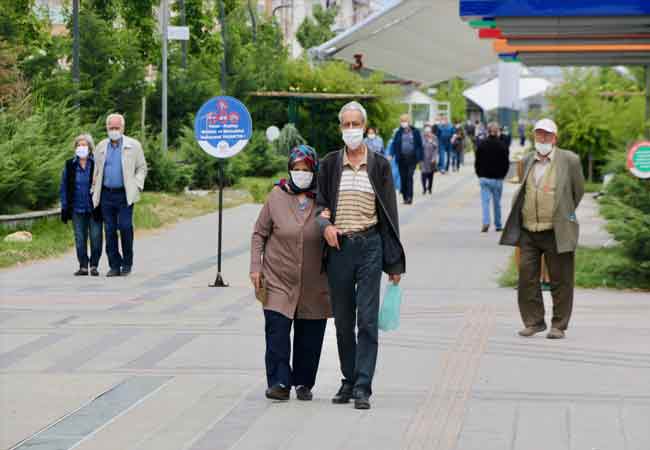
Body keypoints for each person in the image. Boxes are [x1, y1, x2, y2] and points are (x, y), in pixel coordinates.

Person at [316, 101, 405, 410]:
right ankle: (348, 379)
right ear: (341, 128)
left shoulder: (379, 165)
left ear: (364, 128)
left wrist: (394, 263)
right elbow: (319, 205)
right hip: (340, 247)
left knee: (366, 320)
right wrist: (324, 224)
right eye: (346, 124)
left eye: (356, 124)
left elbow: (389, 214)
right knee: (342, 322)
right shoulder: (328, 164)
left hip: (370, 246)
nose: (351, 130)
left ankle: (363, 385)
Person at [250, 145, 331, 401]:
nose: (301, 174)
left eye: (306, 169)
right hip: (277, 278)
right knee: (277, 332)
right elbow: (259, 233)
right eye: (296, 169)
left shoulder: (324, 198)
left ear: (314, 171)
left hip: (314, 280)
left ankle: (304, 383)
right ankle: (279, 382)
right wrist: (255, 266)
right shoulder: (276, 195)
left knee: (310, 335)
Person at [500, 118, 585, 340]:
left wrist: (564, 214)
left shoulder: (570, 160)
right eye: (539, 134)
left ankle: (558, 325)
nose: (543, 138)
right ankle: (533, 321)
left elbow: (578, 192)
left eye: (547, 135)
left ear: (555, 138)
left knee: (561, 279)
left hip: (556, 230)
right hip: (529, 231)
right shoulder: (528, 159)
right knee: (526, 278)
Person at [92, 113, 148, 277]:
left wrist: (137, 184)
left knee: (124, 227)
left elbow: (142, 168)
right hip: (106, 195)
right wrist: (94, 188)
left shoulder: (134, 145)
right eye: (111, 128)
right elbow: (96, 170)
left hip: (125, 194)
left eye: (117, 128)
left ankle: (127, 263)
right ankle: (114, 265)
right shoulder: (102, 146)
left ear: (123, 128)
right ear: (107, 128)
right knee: (109, 230)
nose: (114, 130)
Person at [60, 134, 103, 276]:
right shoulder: (69, 165)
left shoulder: (96, 164)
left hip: (94, 207)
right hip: (77, 208)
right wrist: (65, 207)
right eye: (78, 145)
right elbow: (64, 186)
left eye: (84, 145)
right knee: (80, 238)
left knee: (96, 238)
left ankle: (94, 265)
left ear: (90, 148)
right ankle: (83, 265)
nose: (81, 148)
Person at [475, 123, 510, 232]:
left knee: (485, 202)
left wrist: (479, 174)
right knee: (497, 203)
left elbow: (477, 161)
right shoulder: (502, 145)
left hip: (484, 177)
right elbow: (506, 163)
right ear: (498, 131)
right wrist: (503, 175)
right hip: (497, 178)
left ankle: (486, 222)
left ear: (488, 131)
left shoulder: (482, 144)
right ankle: (498, 225)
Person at [392, 114, 423, 204]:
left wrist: (420, 159)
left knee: (410, 177)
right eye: (402, 121)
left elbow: (420, 145)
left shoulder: (415, 132)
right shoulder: (398, 132)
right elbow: (394, 144)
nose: (403, 123)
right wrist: (391, 154)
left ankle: (410, 197)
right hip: (401, 158)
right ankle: (405, 197)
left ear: (409, 122)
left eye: (405, 121)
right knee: (403, 178)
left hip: (412, 158)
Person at [421, 125, 438, 194]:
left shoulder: (434, 137)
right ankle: (424, 188)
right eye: (426, 132)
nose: (427, 133)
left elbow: (436, 148)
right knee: (423, 174)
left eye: (429, 132)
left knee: (431, 174)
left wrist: (434, 158)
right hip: (423, 159)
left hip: (431, 159)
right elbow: (420, 147)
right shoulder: (421, 137)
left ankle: (430, 188)